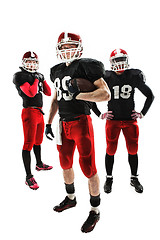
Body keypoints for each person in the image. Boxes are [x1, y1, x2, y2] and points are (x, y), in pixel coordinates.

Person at [45, 32, 110, 233]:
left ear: (79, 47)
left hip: (81, 122)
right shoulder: (56, 71)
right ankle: (71, 198)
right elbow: (56, 98)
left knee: (88, 167)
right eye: (63, 47)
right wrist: (48, 122)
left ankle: (95, 210)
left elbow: (105, 93)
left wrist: (80, 94)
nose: (67, 50)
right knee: (65, 163)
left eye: (70, 46)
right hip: (63, 125)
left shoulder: (86, 66)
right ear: (58, 49)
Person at [101, 48, 154, 194]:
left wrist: (142, 113)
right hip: (113, 121)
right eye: (116, 60)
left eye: (121, 59)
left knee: (133, 150)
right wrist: (100, 114)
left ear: (127, 60)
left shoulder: (133, 75)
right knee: (110, 150)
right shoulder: (106, 76)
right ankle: (109, 177)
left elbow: (150, 96)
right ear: (111, 62)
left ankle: (134, 178)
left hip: (130, 120)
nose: (119, 63)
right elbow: (91, 95)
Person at [13, 51, 53, 190]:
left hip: (39, 112)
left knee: (38, 141)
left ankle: (39, 163)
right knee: (28, 143)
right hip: (29, 111)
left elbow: (48, 93)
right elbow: (30, 92)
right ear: (24, 63)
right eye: (29, 62)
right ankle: (28, 176)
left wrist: (43, 79)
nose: (31, 64)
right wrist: (37, 80)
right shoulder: (20, 76)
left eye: (34, 62)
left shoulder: (35, 75)